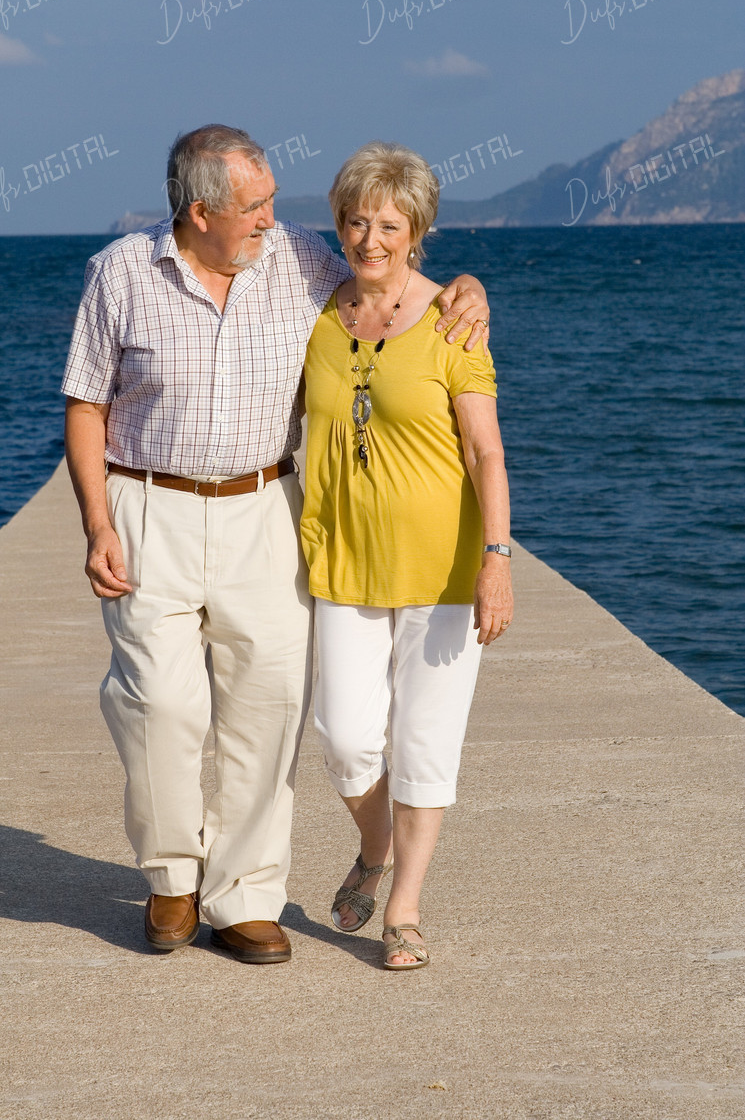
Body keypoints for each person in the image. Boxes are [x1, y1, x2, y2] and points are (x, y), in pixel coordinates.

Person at [61, 125, 492, 964]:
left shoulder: (297, 260)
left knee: (270, 706)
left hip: (265, 507)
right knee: (158, 704)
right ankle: (171, 878)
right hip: (149, 505)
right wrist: (97, 522)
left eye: (269, 201)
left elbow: (394, 281)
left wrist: (468, 289)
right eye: (253, 206)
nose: (271, 218)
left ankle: (245, 895)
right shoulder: (117, 273)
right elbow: (85, 402)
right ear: (199, 212)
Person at [300, 141, 513, 970]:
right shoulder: (319, 313)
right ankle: (374, 845)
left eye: (389, 223)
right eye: (356, 220)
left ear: (417, 229)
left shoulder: (453, 321)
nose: (370, 238)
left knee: (425, 743)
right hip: (343, 561)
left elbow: (485, 451)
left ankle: (405, 909)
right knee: (345, 738)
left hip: (442, 568)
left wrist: (495, 557)